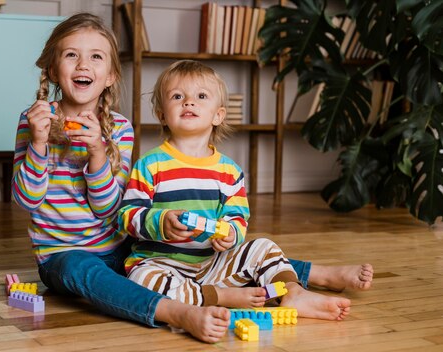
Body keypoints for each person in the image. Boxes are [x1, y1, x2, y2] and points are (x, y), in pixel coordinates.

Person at [12, 14, 372, 344]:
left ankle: (315, 275)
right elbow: (27, 200)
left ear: (109, 76)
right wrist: (40, 143)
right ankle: (178, 312)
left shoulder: (117, 129)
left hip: (121, 249)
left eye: (96, 57)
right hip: (61, 255)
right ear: (54, 69)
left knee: (191, 254)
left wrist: (97, 153)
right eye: (71, 55)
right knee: (86, 270)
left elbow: (107, 208)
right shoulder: (33, 122)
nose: (83, 65)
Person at [118, 60, 355, 325]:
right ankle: (219, 297)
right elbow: (129, 215)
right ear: (162, 114)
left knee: (264, 247)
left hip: (210, 266)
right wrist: (161, 222)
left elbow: (237, 217)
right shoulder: (150, 165)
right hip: (161, 263)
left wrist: (231, 234)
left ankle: (293, 293)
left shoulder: (229, 171)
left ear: (218, 115)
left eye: (201, 96)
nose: (189, 102)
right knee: (140, 278)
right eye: (177, 96)